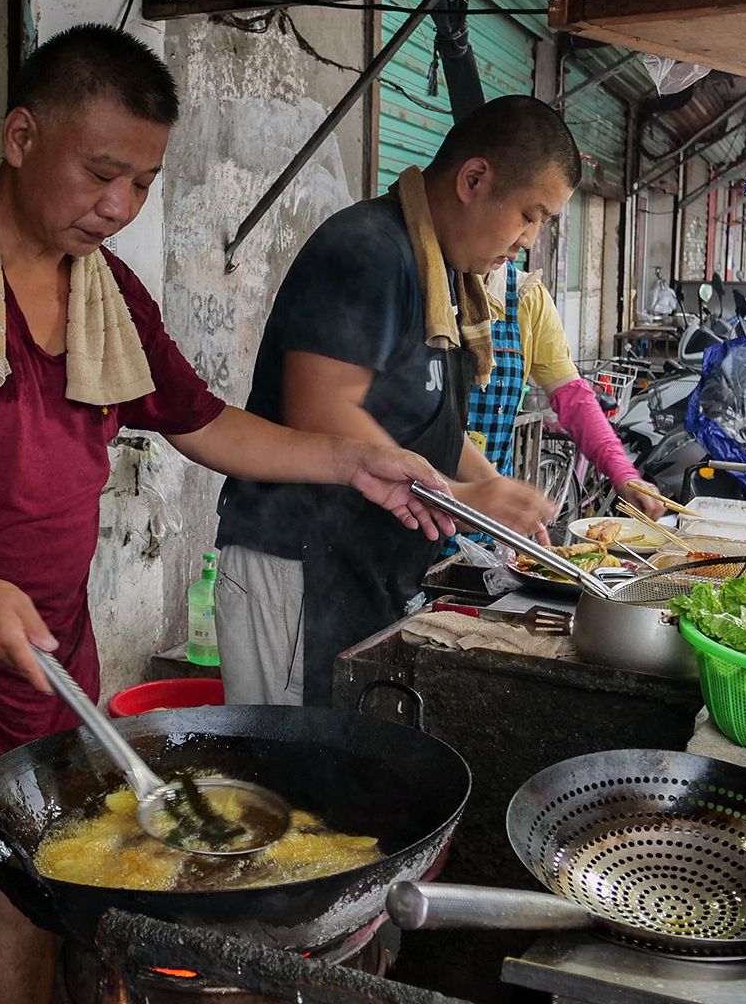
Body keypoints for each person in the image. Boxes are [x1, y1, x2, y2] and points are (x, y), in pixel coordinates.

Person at [0, 25, 457, 1004]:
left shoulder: (108, 298)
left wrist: (348, 456)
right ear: (21, 137)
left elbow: (206, 424)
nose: (119, 205)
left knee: (32, 910)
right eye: (101, 172)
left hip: (48, 683)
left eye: (141, 181)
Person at [214, 95, 570, 708]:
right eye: (529, 215)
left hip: (363, 565)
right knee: (294, 781)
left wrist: (492, 487)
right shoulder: (370, 252)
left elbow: (421, 417)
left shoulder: (443, 275)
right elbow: (322, 416)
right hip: (299, 567)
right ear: (475, 179)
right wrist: (466, 500)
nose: (528, 241)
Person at [466, 262, 667, 518]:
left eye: (539, 222)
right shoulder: (427, 285)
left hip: (491, 517)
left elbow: (573, 396)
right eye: (525, 219)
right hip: (418, 508)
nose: (526, 239)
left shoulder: (526, 296)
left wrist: (624, 474)